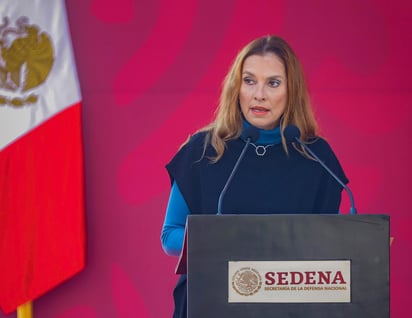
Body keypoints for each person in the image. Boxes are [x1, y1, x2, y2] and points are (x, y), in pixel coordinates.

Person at [160, 35, 348, 318]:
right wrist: (226, 239)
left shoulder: (316, 156)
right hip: (209, 302)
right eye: (249, 81)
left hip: (291, 307)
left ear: (291, 90)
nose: (259, 94)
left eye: (272, 83)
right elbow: (169, 236)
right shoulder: (202, 150)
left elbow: (324, 244)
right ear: (237, 88)